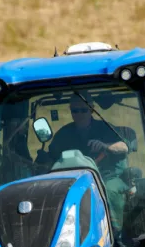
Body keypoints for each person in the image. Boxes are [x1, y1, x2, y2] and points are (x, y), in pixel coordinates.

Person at [39, 94, 132, 231]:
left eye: (83, 110)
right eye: (75, 111)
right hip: (72, 181)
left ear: (92, 110)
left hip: (108, 177)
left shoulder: (106, 128)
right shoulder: (63, 134)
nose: (79, 114)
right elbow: (51, 157)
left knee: (109, 191)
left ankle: (116, 236)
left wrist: (105, 146)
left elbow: (124, 147)